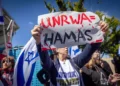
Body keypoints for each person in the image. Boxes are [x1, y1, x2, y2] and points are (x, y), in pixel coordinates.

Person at [31, 21, 108, 86]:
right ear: (56, 50)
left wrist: (99, 34)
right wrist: (39, 41)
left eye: (66, 46)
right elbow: (44, 59)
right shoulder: (52, 66)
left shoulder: (75, 62)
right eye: (63, 46)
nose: (66, 47)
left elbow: (89, 50)